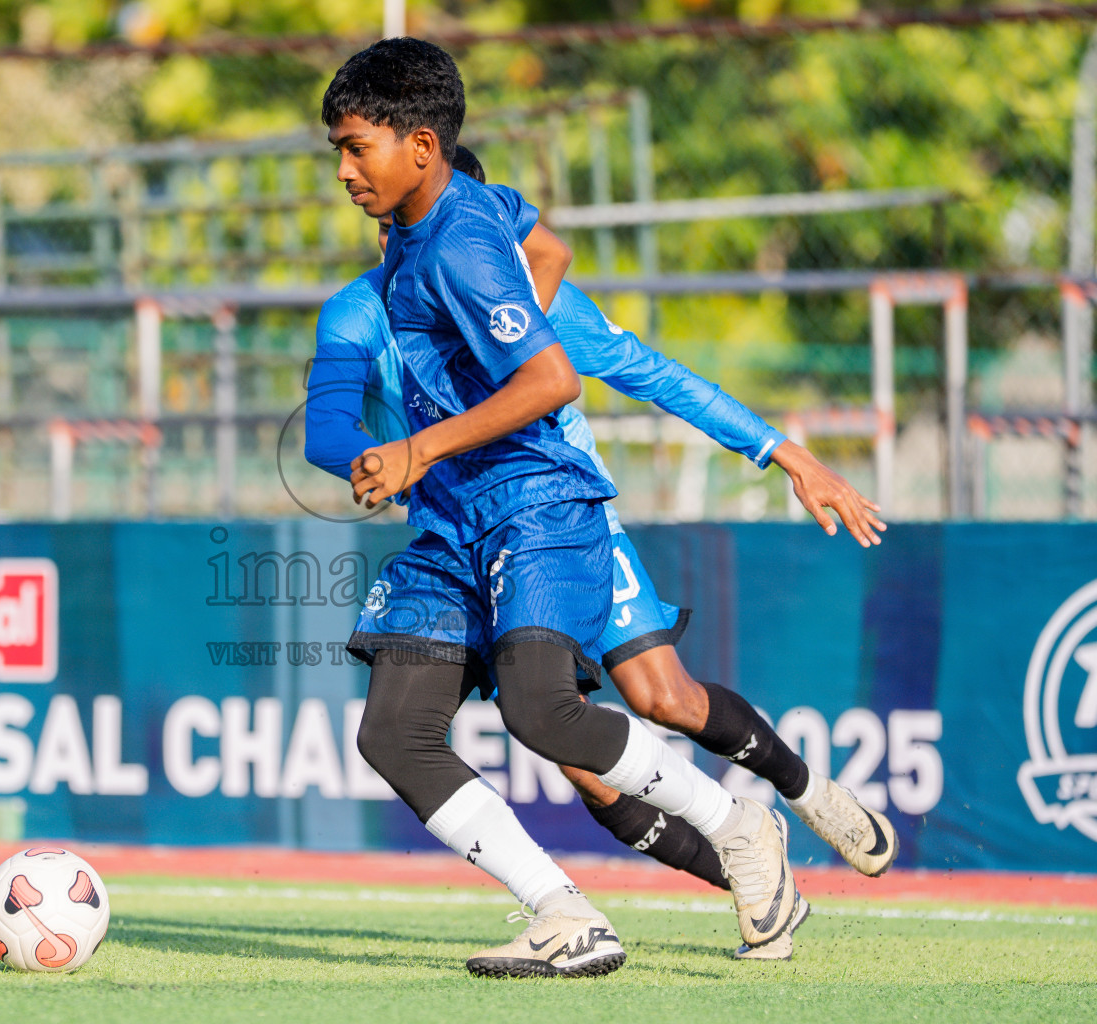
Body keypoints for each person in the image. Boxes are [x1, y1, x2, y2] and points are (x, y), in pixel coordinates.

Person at [304, 144, 896, 961]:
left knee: (660, 699)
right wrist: (383, 460)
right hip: (456, 533)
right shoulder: (363, 311)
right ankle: (744, 878)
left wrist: (785, 453)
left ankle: (801, 793)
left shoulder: (535, 297)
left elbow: (657, 376)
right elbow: (327, 428)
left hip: (563, 522)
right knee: (573, 757)